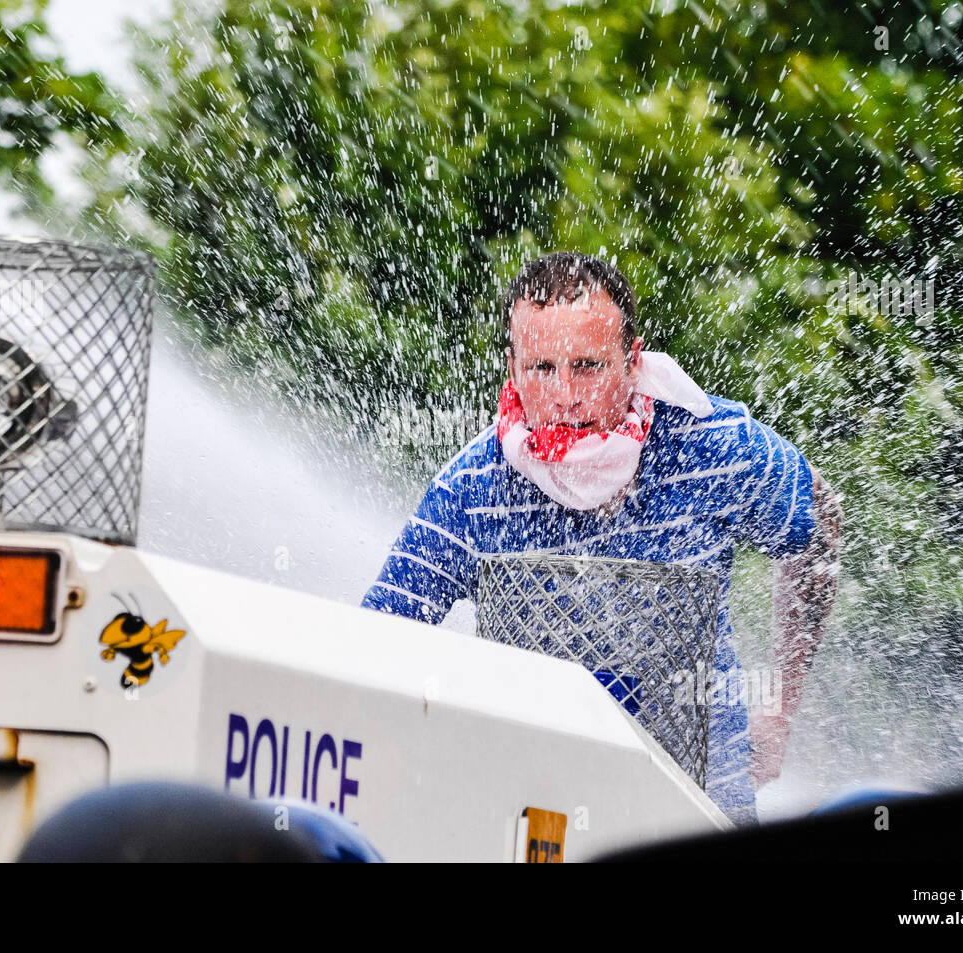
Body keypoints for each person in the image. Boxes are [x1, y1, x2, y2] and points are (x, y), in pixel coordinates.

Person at [361, 252, 842, 824]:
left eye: (588, 366)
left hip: (702, 811)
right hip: (532, 819)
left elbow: (822, 520)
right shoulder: (472, 489)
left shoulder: (713, 445)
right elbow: (375, 644)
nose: (565, 396)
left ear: (632, 361)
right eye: (542, 369)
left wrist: (780, 705)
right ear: (512, 369)